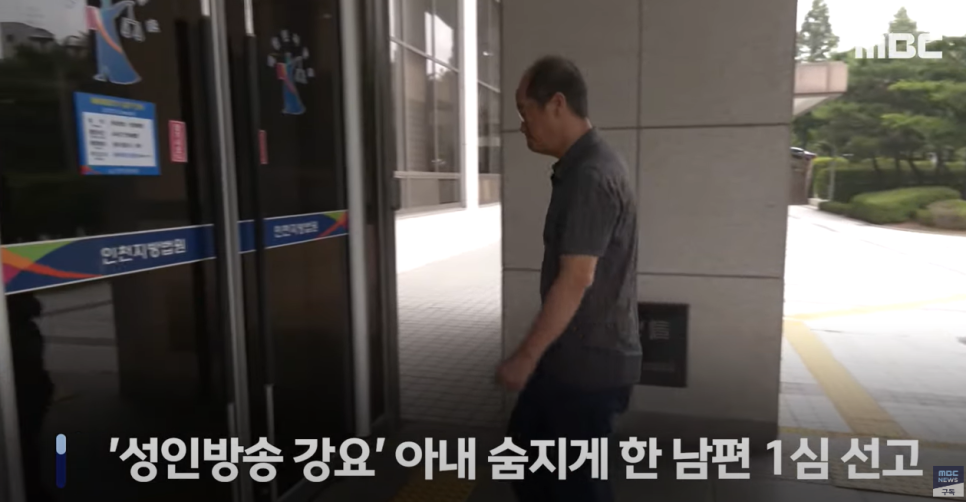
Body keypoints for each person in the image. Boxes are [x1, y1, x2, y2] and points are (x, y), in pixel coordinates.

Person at [496, 56, 642, 502]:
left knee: (575, 488)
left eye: (525, 111)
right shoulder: (583, 168)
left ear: (557, 104)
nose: (522, 125)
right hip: (570, 359)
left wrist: (526, 356)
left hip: (587, 366)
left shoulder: (591, 175)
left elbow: (577, 277)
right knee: (528, 458)